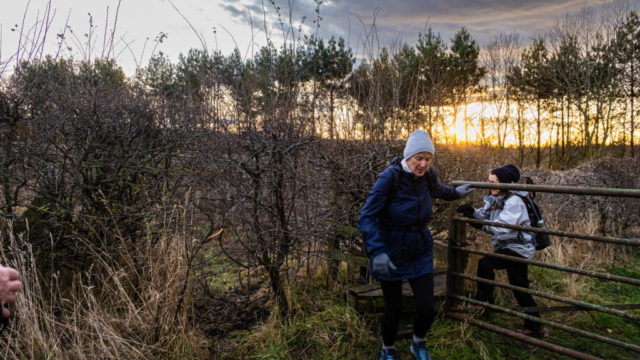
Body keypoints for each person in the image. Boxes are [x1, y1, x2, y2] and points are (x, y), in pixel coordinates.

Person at [358, 130, 475, 360]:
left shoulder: (428, 176)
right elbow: (366, 216)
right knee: (394, 308)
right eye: (418, 158)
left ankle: (417, 343)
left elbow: (439, 190)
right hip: (391, 250)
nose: (423, 164)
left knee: (426, 307)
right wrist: (377, 251)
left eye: (428, 159)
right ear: (407, 156)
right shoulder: (389, 178)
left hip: (419, 248)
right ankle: (388, 349)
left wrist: (456, 193)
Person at [456, 164, 549, 338]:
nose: (489, 185)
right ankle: (536, 327)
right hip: (510, 247)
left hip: (518, 249)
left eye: (493, 182)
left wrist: (477, 223)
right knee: (520, 288)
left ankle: (483, 300)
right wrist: (472, 213)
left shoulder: (514, 202)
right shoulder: (496, 198)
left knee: (486, 263)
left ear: (505, 183)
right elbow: (485, 216)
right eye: (488, 181)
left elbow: (501, 227)